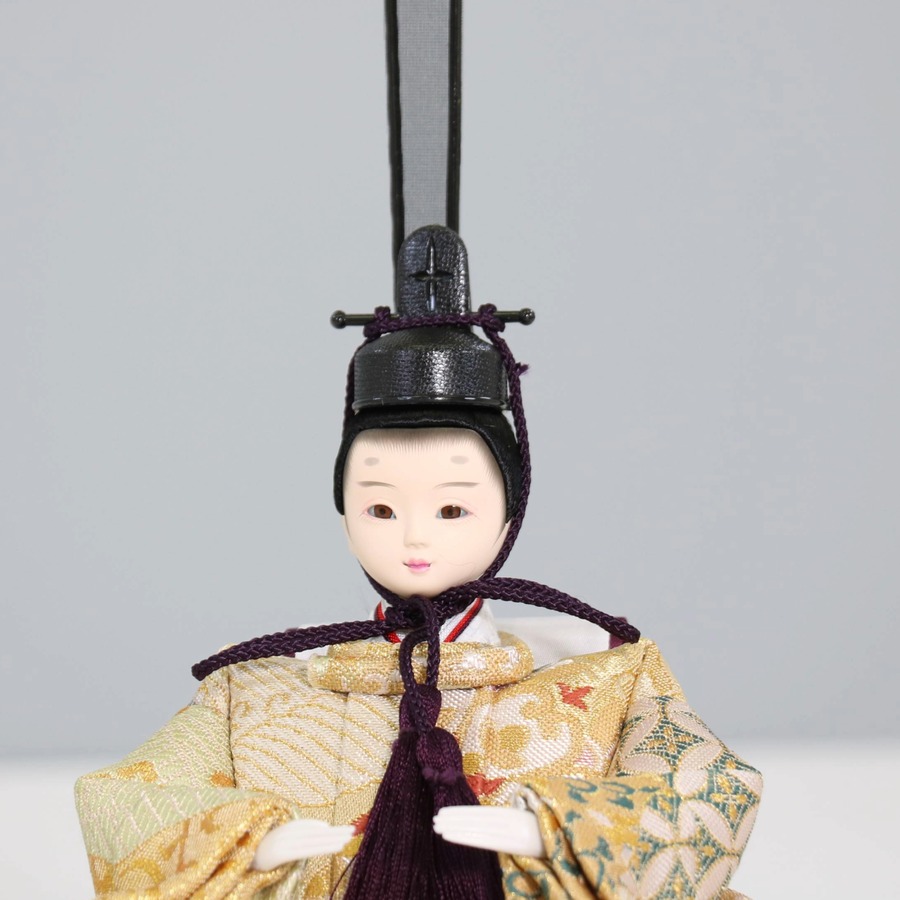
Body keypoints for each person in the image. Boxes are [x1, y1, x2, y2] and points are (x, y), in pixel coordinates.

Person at [76, 227, 761, 899]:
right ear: (344, 518)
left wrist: (560, 834)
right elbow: (128, 799)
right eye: (379, 508)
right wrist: (246, 847)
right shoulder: (254, 688)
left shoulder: (604, 670)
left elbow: (711, 795)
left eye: (452, 509)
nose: (413, 537)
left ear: (510, 515)